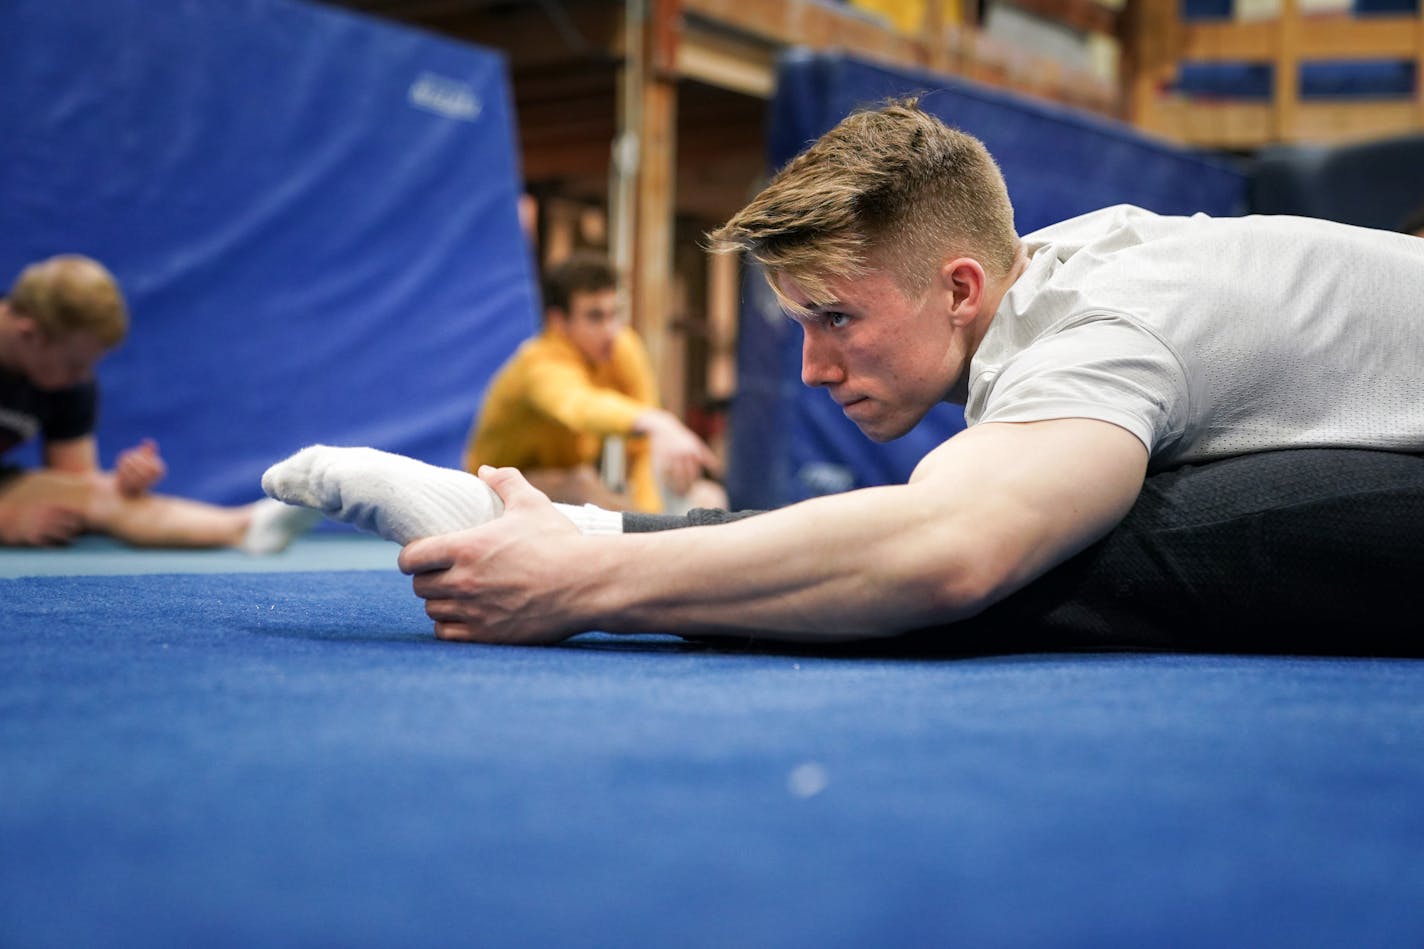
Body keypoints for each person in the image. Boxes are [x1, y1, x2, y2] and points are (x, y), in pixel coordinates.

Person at [263, 98, 1424, 648]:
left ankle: (586, 545)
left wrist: (585, 588)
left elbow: (948, 551)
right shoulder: (1048, 280)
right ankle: (589, 532)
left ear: (959, 287)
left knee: (1064, 543)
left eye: (834, 319)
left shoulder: (1104, 329)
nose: (813, 369)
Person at [0, 254, 317, 551]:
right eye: (73, 365)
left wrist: (122, 484)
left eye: (88, 365)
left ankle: (247, 527)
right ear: (29, 333)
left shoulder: (70, 383)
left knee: (106, 497)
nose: (81, 377)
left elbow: (74, 485)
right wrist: (7, 521)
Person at [463, 251, 725, 513]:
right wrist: (656, 420)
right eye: (595, 317)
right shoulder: (538, 363)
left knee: (709, 498)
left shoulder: (622, 346)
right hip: (492, 491)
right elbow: (579, 406)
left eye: (615, 313)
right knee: (582, 486)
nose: (611, 330)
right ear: (558, 321)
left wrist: (652, 515)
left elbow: (643, 446)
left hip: (572, 480)